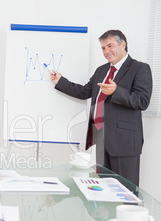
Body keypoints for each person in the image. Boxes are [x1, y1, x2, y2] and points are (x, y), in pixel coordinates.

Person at [50, 29, 152, 186]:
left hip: (125, 143)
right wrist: (60, 81)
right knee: (105, 191)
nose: (106, 51)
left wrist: (116, 91)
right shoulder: (101, 70)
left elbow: (142, 101)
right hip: (102, 140)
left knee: (126, 192)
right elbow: (84, 92)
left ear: (123, 44)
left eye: (110, 46)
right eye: (103, 48)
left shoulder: (139, 68)